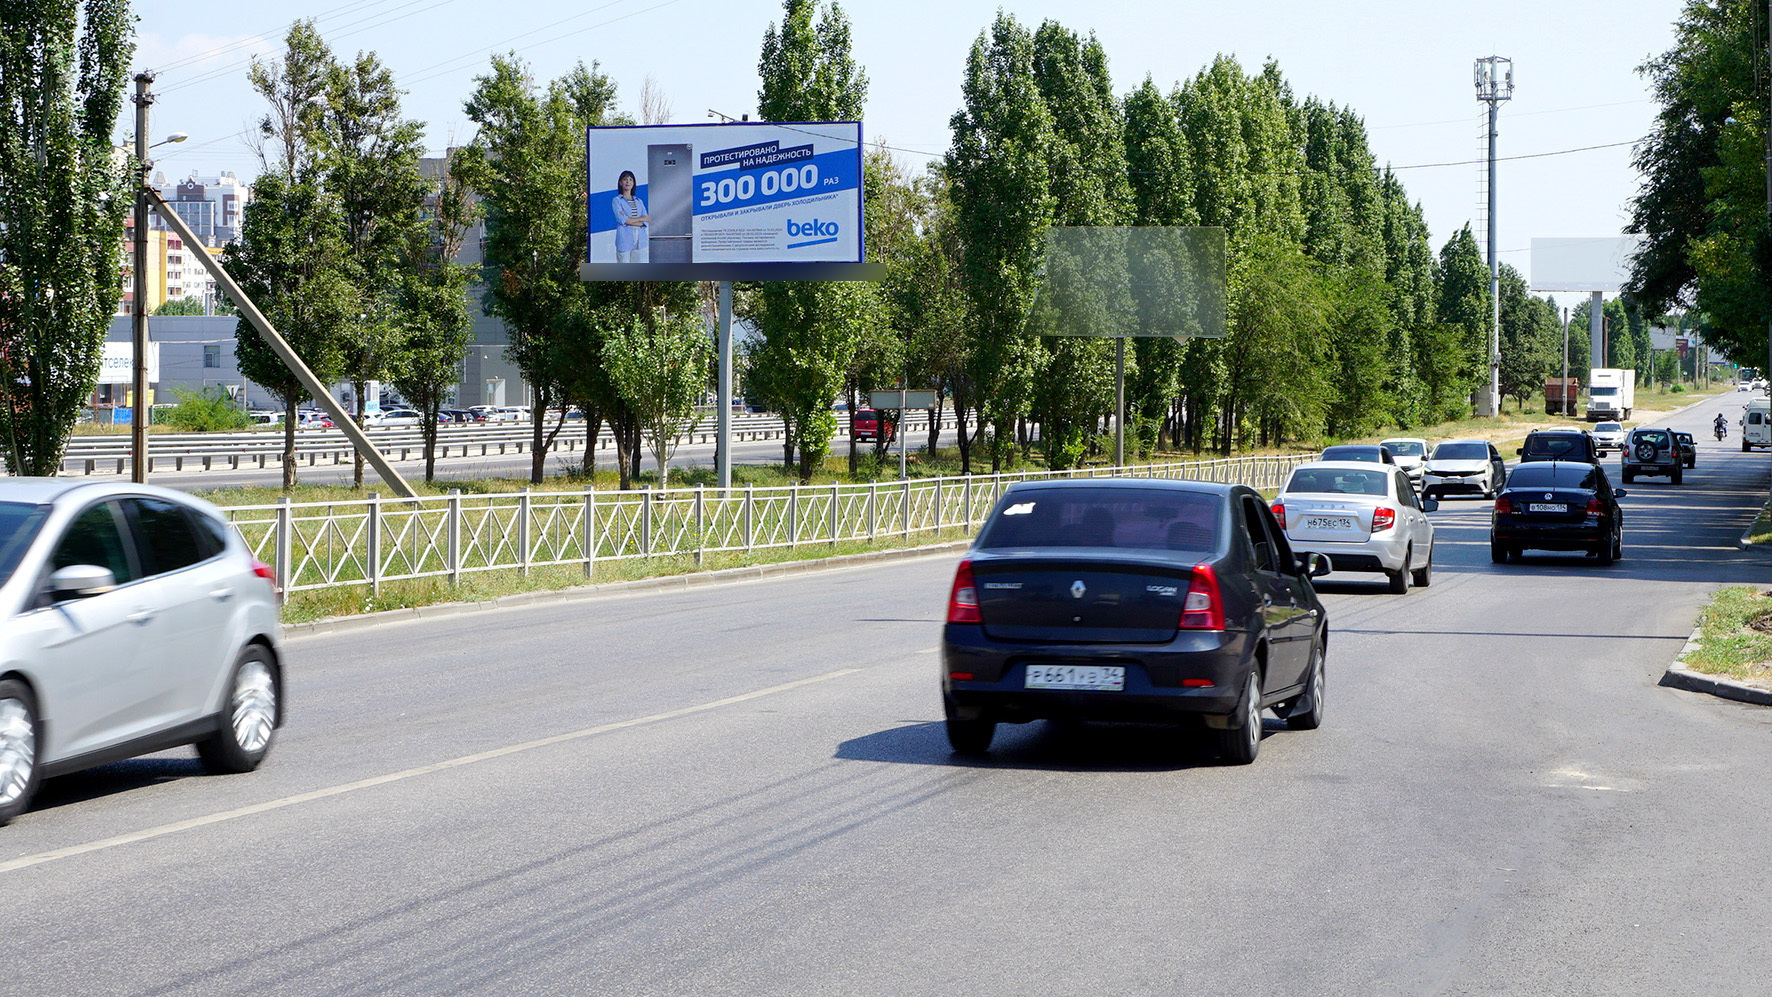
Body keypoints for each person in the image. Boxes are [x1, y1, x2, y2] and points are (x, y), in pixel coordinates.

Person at [611, 170, 648, 262]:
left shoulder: (639, 201)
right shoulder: (617, 200)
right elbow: (621, 219)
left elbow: (646, 220)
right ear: (620, 182)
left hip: (639, 239)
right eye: (625, 179)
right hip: (624, 239)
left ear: (633, 183)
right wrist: (639, 219)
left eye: (630, 179)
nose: (628, 182)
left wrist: (629, 219)